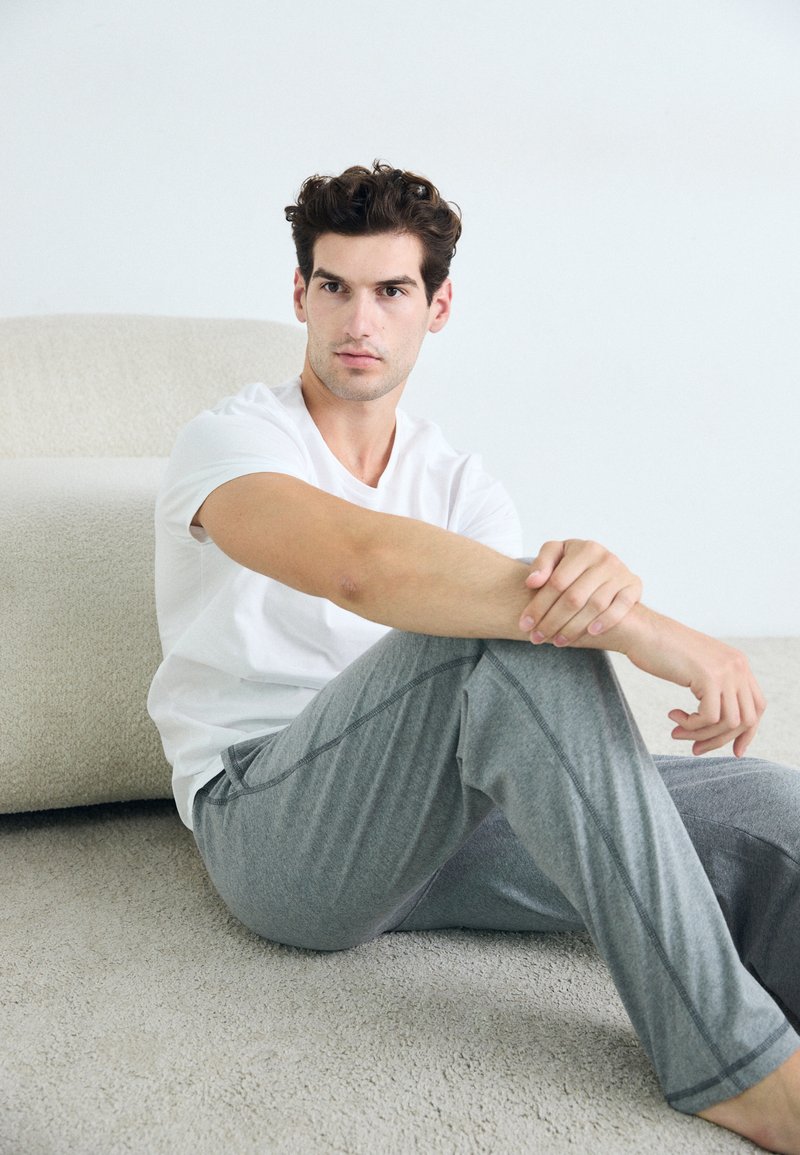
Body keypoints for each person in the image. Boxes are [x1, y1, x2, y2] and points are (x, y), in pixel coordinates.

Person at [148, 161, 800, 1150]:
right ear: (300, 295)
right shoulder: (229, 441)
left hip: (438, 820)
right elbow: (359, 567)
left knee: (768, 808)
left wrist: (585, 586)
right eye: (334, 287)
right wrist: (644, 627)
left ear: (436, 307)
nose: (358, 320)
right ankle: (737, 1067)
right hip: (275, 826)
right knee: (507, 643)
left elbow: (523, 662)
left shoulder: (458, 480)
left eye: (390, 291)